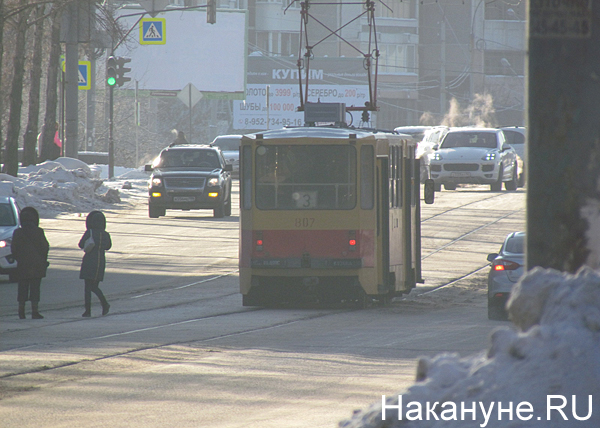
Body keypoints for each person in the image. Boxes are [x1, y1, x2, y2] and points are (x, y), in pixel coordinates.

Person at [11, 207, 49, 320]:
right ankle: (34, 311)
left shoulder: (17, 232)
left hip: (22, 265)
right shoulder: (39, 231)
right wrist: (42, 260)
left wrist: (19, 259)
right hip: (37, 265)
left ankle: (21, 311)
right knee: (35, 288)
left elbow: (14, 249)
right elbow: (45, 247)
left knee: (22, 288)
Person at [78, 211, 112, 317]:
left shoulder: (89, 232)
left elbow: (81, 244)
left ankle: (88, 310)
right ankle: (104, 304)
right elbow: (108, 246)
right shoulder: (105, 234)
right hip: (100, 261)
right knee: (94, 286)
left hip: (89, 261)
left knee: (87, 287)